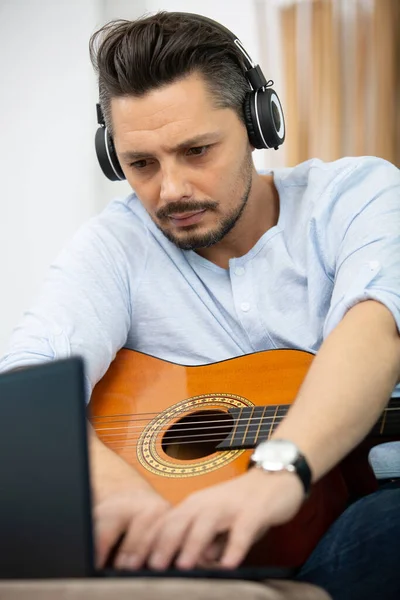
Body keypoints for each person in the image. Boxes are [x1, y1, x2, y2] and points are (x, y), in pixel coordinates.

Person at [1, 11, 399, 600]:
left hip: (356, 511)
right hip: (188, 542)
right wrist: (118, 493)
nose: (171, 190)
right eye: (141, 164)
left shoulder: (358, 193)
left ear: (258, 122)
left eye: (197, 150)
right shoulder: (116, 243)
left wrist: (280, 470)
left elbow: (375, 325)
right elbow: (25, 380)